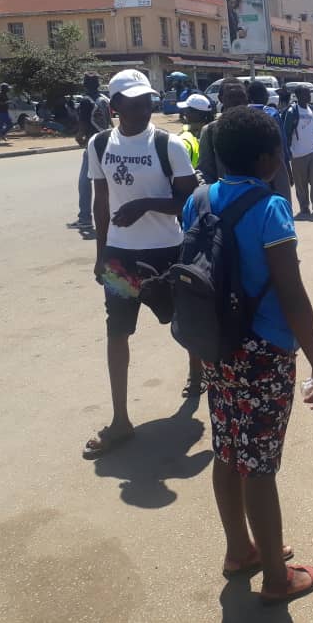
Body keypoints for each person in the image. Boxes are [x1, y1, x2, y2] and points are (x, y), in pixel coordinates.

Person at [186, 105, 313, 603]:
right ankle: (276, 577)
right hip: (264, 353)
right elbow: (292, 293)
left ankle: (240, 550)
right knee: (260, 466)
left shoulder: (199, 199)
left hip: (218, 346)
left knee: (227, 447)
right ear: (272, 158)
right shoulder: (270, 208)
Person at [83, 70, 200, 459]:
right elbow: (101, 201)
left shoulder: (169, 145)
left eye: (147, 101)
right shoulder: (99, 145)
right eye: (133, 104)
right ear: (114, 107)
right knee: (117, 332)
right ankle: (120, 421)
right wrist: (101, 254)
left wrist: (145, 205)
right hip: (122, 259)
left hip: (167, 254)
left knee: (184, 322)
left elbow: (188, 202)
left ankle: (198, 374)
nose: (143, 109)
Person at [201, 80, 293, 209]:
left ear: (247, 98)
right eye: (231, 96)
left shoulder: (263, 126)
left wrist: (285, 207)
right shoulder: (210, 131)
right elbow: (206, 172)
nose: (237, 100)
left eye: (241, 96)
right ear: (221, 99)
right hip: (225, 206)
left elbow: (279, 172)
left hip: (261, 205)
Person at [69, 73, 113, 229]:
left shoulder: (85, 101)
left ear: (84, 84)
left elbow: (83, 123)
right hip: (108, 140)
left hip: (93, 144)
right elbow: (110, 121)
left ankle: (85, 218)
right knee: (109, 181)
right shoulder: (104, 99)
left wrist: (79, 136)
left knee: (85, 181)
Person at [283, 86, 313, 220]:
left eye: (309, 94)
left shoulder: (312, 109)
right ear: (298, 96)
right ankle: (304, 207)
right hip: (298, 154)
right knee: (300, 184)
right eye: (305, 94)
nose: (309, 96)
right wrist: (289, 153)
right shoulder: (292, 112)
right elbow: (286, 134)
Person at [176, 93, 214, 168]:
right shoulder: (213, 130)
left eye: (187, 110)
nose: (184, 113)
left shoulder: (189, 137)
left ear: (196, 114)